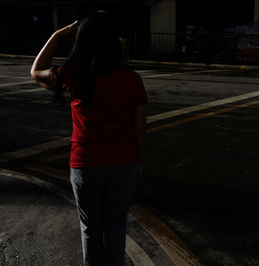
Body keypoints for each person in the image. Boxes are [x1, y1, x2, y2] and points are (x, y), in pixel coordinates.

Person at [30, 11, 147, 266]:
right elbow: (139, 129)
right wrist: (138, 161)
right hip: (123, 162)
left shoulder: (75, 74)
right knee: (115, 229)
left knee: (90, 228)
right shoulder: (132, 79)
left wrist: (58, 34)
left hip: (86, 164)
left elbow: (36, 71)